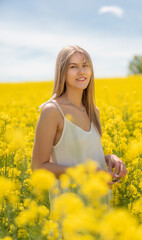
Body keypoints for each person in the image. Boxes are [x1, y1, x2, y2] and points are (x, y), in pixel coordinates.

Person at [31, 45, 127, 202]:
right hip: (70, 207)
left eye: (85, 65)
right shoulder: (53, 111)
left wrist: (109, 158)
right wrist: (86, 173)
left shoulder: (93, 111)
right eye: (73, 67)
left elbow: (80, 155)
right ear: (62, 72)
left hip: (99, 203)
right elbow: (38, 167)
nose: (81, 71)